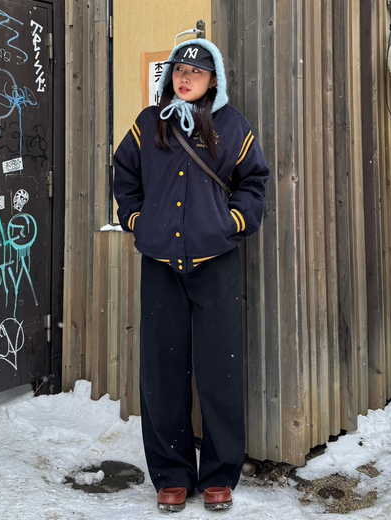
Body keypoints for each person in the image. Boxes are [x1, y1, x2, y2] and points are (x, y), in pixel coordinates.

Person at [114, 39, 269, 512]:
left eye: (196, 72)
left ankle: (220, 474)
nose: (185, 78)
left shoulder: (232, 125)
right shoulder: (149, 123)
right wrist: (138, 221)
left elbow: (254, 182)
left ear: (213, 79)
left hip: (214, 264)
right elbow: (125, 175)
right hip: (161, 265)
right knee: (162, 371)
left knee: (220, 370)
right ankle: (171, 474)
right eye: (180, 69)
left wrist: (231, 223)